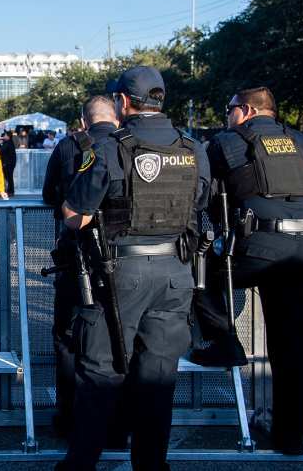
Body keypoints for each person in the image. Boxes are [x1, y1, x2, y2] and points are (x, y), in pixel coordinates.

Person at [59, 67, 209, 471]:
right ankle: (151, 465)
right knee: (158, 379)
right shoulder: (192, 148)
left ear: (124, 102)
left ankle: (80, 465)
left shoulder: (110, 148)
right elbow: (198, 205)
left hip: (120, 272)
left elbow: (76, 213)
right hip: (175, 271)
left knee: (99, 374)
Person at [197, 86, 303, 455]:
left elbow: (209, 197)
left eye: (228, 109)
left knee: (197, 269)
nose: (227, 116)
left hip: (262, 246)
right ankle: (291, 437)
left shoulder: (229, 142)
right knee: (296, 342)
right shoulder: (300, 141)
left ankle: (224, 342)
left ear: (244, 111)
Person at [40, 95, 118, 436]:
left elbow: (48, 196)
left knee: (70, 338)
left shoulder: (69, 146)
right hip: (122, 258)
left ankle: (69, 419)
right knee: (119, 337)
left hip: (78, 255)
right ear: (116, 118)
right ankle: (117, 424)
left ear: (84, 121)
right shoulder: (127, 146)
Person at [0, 132, 17, 196]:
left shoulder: (8, 143)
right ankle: (9, 190)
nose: (4, 136)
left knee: (9, 178)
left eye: (5, 135)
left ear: (8, 137)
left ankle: (10, 191)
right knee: (8, 178)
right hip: (8, 163)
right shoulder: (8, 142)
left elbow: (1, 150)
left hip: (9, 164)